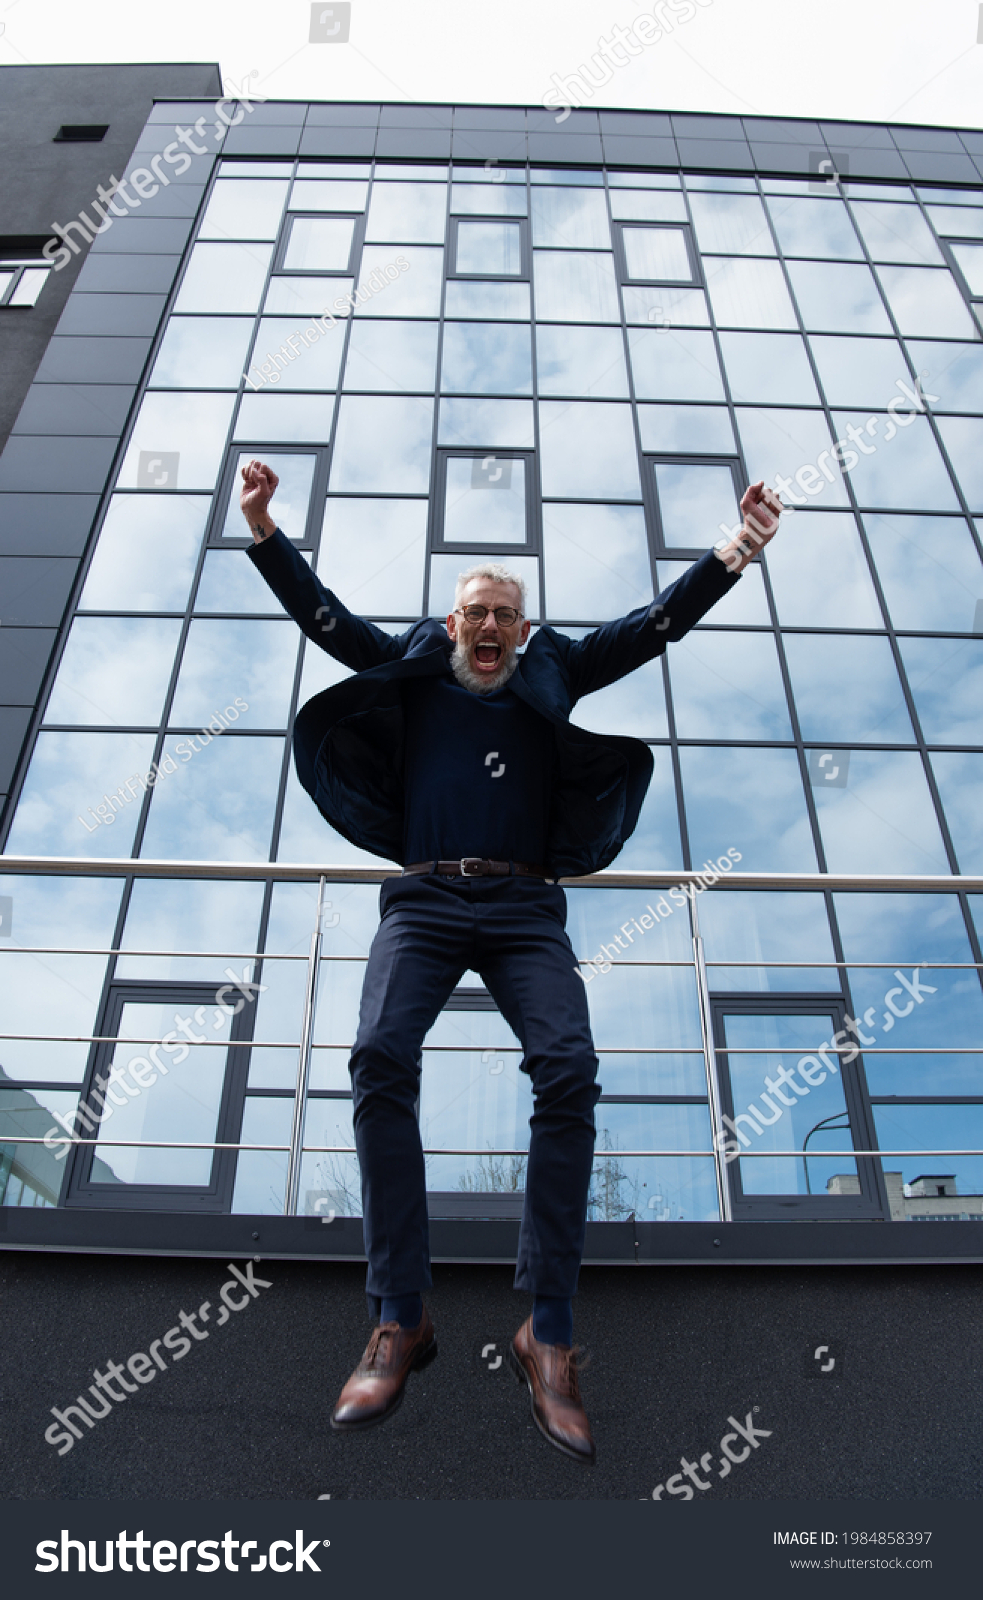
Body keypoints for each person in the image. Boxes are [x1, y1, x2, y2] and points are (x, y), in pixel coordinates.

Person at [240, 460, 781, 1464]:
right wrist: (266, 530)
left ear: (522, 632)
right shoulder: (410, 655)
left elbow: (654, 623)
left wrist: (735, 549)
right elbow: (327, 622)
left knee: (568, 1069)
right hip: (426, 898)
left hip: (526, 906)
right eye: (473, 612)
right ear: (450, 625)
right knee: (377, 1059)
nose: (487, 627)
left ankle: (549, 1329)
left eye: (503, 614)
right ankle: (401, 1314)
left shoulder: (552, 668)